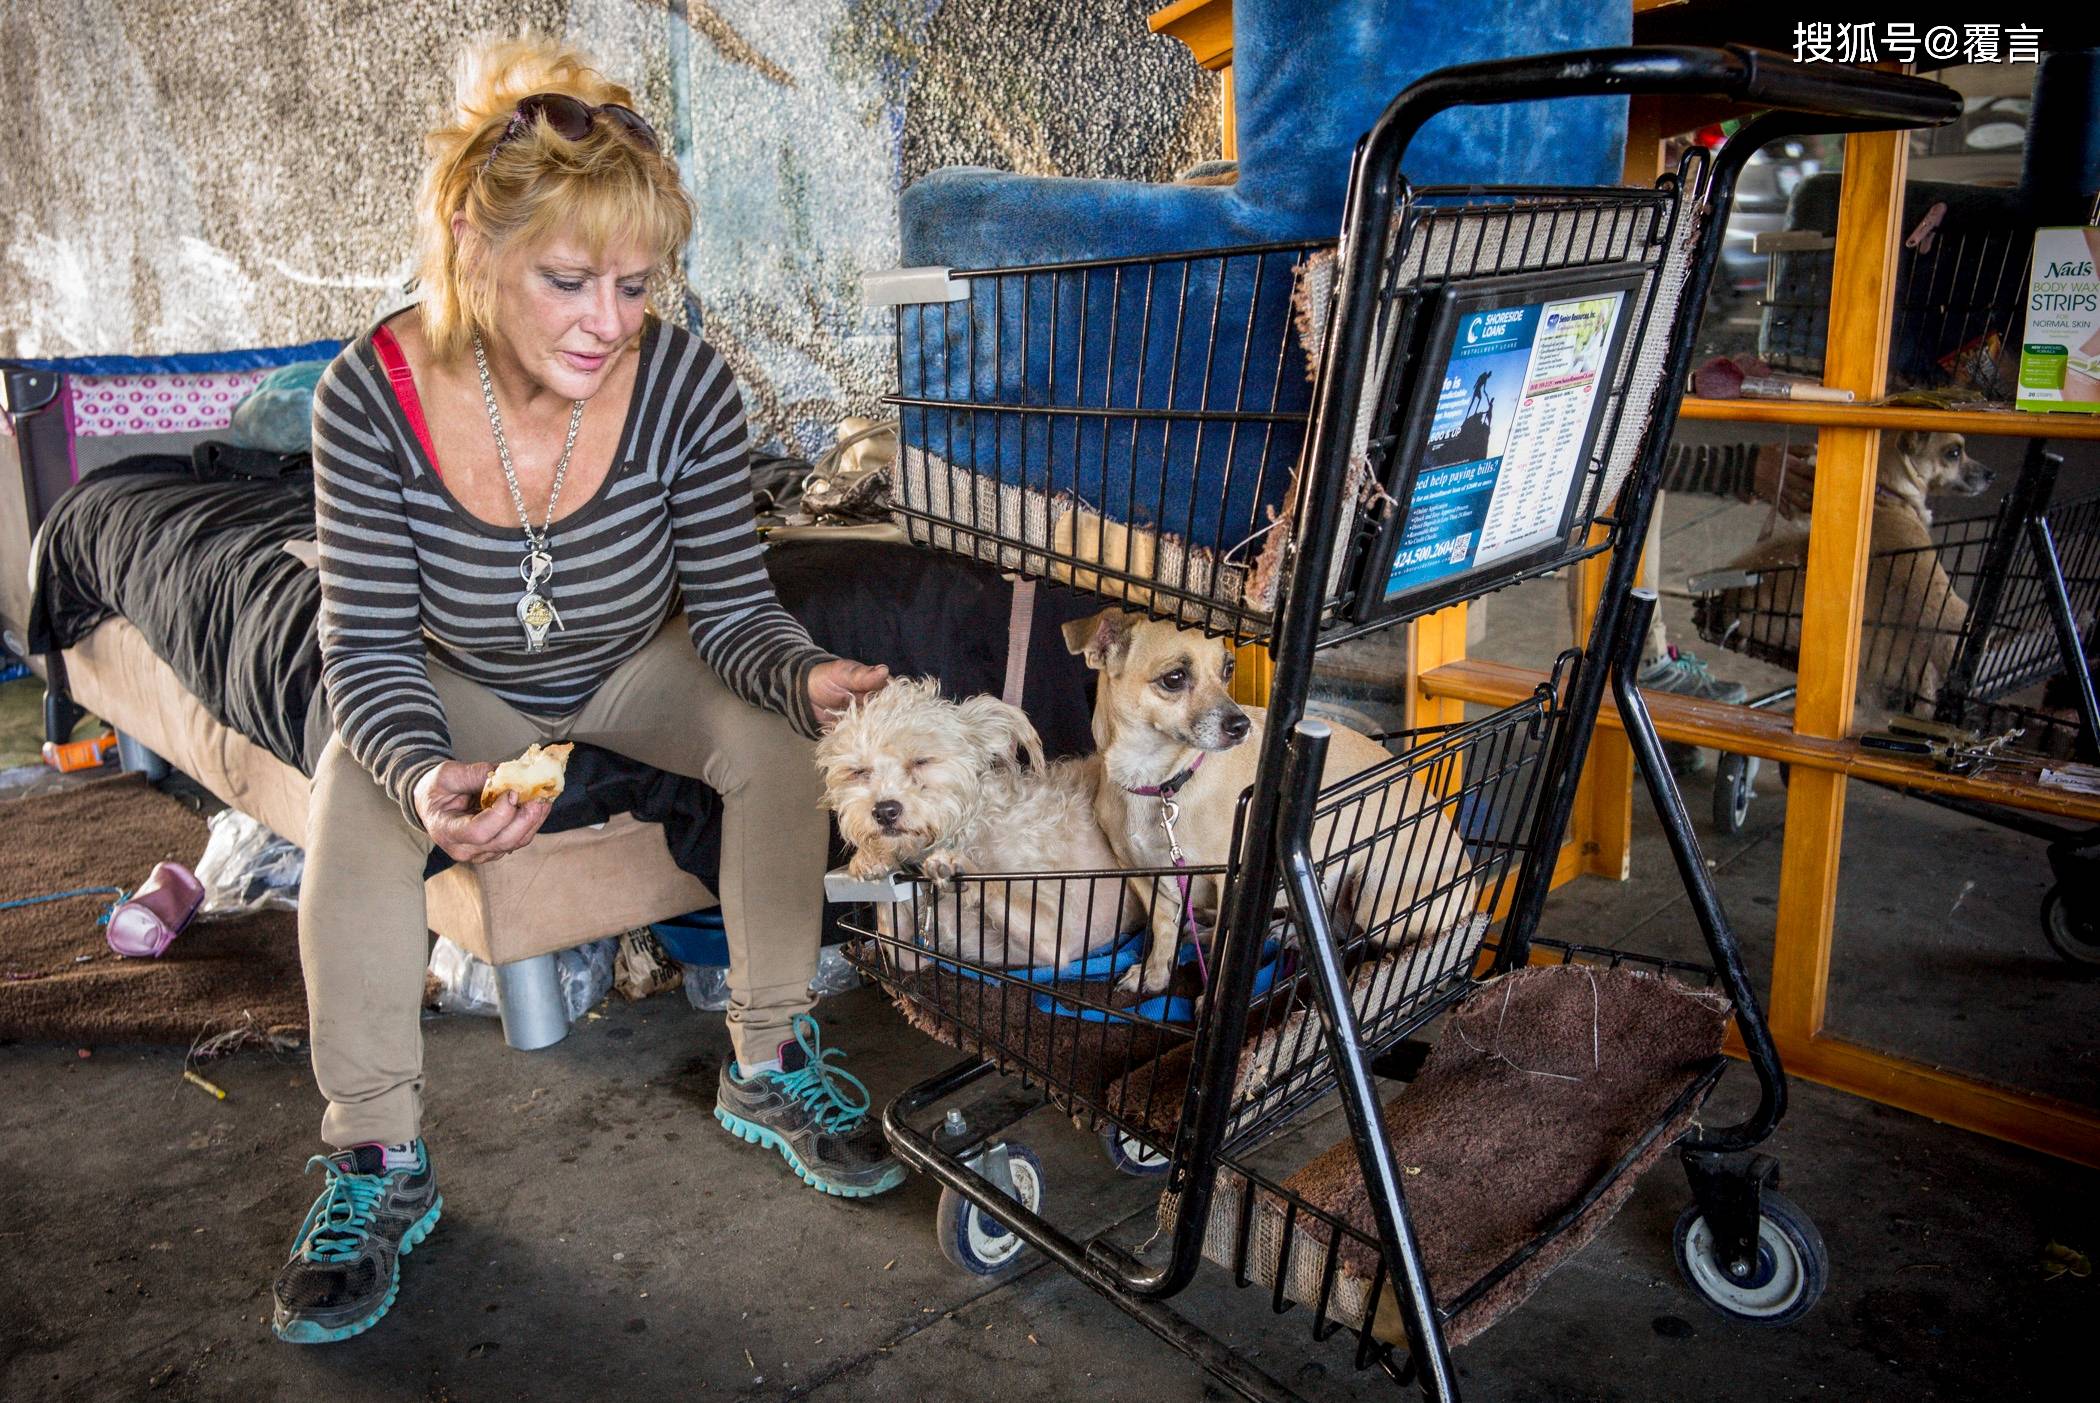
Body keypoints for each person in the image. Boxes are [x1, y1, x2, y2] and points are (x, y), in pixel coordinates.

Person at [275, 34, 901, 1345]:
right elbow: (373, 652)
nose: (609, 321)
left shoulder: (679, 382)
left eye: (635, 282)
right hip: (461, 673)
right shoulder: (366, 398)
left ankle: (772, 1061)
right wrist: (421, 775)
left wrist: (806, 674)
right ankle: (376, 1158)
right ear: (468, 242)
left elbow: (731, 610)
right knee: (352, 789)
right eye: (569, 280)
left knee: (782, 740)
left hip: (637, 659)